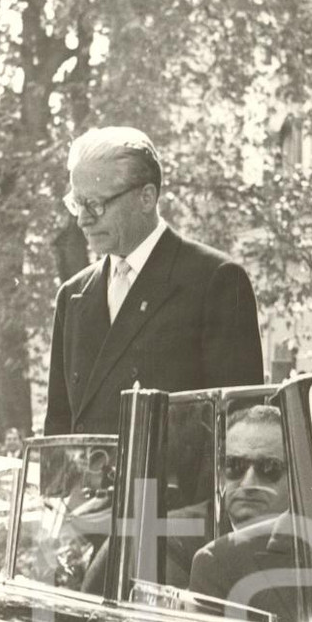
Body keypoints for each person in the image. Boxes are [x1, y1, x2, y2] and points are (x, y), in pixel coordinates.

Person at [45, 127, 264, 437]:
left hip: (170, 486)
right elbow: (58, 427)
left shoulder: (214, 281)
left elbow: (239, 429)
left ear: (146, 198)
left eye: (95, 205)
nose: (82, 219)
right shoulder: (73, 296)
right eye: (76, 204)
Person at [187, 405, 300, 622]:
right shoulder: (179, 541)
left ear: (296, 475)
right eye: (234, 465)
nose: (248, 484)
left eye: (268, 467)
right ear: (220, 472)